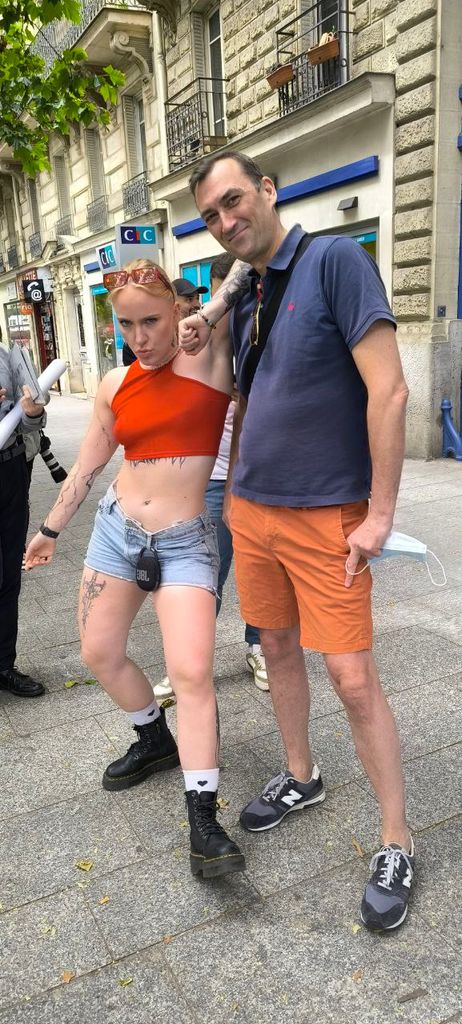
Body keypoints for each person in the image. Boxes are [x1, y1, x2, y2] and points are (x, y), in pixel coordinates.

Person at [179, 150, 414, 931]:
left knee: (352, 678)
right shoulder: (249, 290)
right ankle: (301, 774)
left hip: (328, 514)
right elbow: (247, 394)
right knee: (275, 648)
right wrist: (235, 490)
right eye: (211, 215)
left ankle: (396, 838)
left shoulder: (336, 261)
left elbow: (389, 389)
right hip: (255, 510)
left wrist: (379, 514)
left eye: (233, 200)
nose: (225, 221)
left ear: (268, 190)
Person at [25, 259, 245, 880]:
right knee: (99, 652)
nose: (139, 337)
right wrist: (49, 531)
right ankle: (153, 739)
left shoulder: (208, 358)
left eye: (151, 320)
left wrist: (207, 314)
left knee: (192, 673)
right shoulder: (114, 382)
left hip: (186, 540)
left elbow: (242, 275)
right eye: (126, 325)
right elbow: (89, 465)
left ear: (176, 309)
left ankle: (204, 821)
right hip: (116, 531)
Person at [154, 253, 268, 701]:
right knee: (206, 576)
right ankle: (187, 663)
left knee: (259, 571)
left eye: (229, 302)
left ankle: (258, 646)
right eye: (216, 303)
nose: (221, 312)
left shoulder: (256, 333)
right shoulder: (191, 342)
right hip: (214, 479)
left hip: (259, 476)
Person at [0, 347, 47, 697]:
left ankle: (4, 664)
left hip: (10, 470)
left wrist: (33, 412)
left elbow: (33, 420)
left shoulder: (5, 355)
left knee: (9, 576)